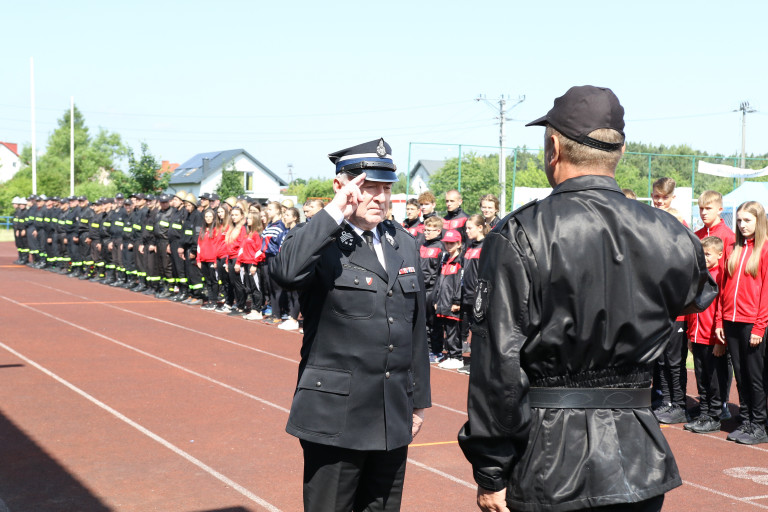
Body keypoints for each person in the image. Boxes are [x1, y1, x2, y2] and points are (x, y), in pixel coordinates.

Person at [458, 85, 715, 512]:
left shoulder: (520, 234)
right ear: (620, 150)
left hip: (549, 460)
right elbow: (695, 295)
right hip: (638, 457)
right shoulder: (671, 234)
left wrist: (490, 470)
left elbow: (498, 367)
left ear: (553, 147)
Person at [270, 138, 431, 512]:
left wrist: (417, 401)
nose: (379, 197)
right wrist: (332, 213)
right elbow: (286, 271)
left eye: (386, 189)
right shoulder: (320, 240)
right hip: (336, 415)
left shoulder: (402, 243)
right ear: (341, 187)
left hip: (392, 412)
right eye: (368, 187)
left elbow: (415, 328)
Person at [715, 201, 768, 445]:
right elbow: (723, 288)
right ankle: (746, 419)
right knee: (740, 375)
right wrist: (719, 320)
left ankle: (759, 424)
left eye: (747, 220)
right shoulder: (733, 248)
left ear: (759, 222)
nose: (742, 225)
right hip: (731, 321)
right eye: (739, 220)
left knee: (755, 376)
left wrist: (759, 326)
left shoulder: (765, 249)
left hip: (752, 323)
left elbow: (766, 292)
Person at [684, 236, 728, 434]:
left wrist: (721, 340)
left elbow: (721, 307)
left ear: (719, 254)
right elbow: (693, 307)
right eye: (702, 254)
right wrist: (690, 334)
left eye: (707, 254)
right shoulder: (700, 275)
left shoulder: (721, 276)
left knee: (714, 379)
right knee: (701, 377)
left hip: (712, 337)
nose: (704, 258)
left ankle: (714, 415)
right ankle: (704, 412)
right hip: (697, 335)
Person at [457, 214, 488, 375]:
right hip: (467, 294)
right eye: (466, 228)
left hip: (479, 295)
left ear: (480, 227)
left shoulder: (486, 246)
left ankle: (478, 363)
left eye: (470, 228)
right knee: (468, 328)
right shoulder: (470, 247)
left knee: (478, 330)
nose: (467, 231)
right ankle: (471, 361)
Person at [434, 229, 464, 370]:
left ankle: (457, 357)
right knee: (447, 329)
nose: (449, 245)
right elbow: (440, 281)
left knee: (453, 331)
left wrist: (457, 301)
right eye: (447, 243)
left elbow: (460, 282)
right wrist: (437, 300)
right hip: (443, 301)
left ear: (458, 244)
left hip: (452, 303)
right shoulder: (445, 259)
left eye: (452, 243)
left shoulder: (460, 261)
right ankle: (451, 356)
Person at [420, 215, 447, 363]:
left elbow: (440, 271)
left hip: (433, 290)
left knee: (434, 323)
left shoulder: (441, 247)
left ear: (438, 231)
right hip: (421, 288)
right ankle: (427, 349)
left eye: (430, 230)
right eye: (425, 230)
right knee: (423, 322)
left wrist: (437, 292)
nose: (426, 232)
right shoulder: (423, 245)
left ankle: (436, 351)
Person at [278, 207, 301, 331]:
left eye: (287, 215)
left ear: (295, 217)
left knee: (296, 293)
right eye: (284, 214)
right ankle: (291, 316)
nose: (285, 217)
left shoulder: (299, 230)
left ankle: (294, 319)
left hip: (295, 265)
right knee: (289, 293)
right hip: (287, 265)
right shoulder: (286, 231)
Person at [239, 211, 264, 320]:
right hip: (246, 263)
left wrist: (254, 264)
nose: (247, 220)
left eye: (249, 218)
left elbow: (259, 250)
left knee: (256, 288)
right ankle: (253, 309)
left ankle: (257, 310)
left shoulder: (257, 234)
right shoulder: (248, 233)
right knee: (250, 288)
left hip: (253, 264)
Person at [197, 208, 222, 310]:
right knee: (208, 281)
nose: (208, 219)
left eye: (210, 216)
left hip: (212, 260)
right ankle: (210, 300)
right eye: (206, 217)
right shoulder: (203, 230)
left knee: (214, 281)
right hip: (203, 260)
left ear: (214, 218)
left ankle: (214, 301)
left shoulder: (216, 230)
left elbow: (217, 246)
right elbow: (199, 245)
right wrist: (198, 259)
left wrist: (216, 260)